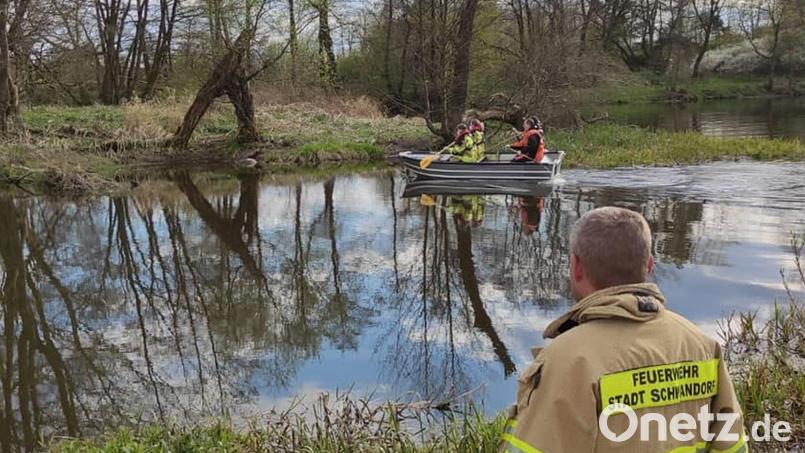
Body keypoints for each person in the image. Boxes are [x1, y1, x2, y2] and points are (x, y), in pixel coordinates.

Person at [500, 207, 747, 453]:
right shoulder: (703, 346)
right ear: (649, 265)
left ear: (576, 266)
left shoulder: (567, 360)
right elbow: (733, 447)